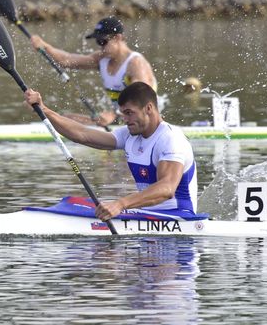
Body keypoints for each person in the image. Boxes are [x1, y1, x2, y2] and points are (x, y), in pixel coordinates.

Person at [24, 82, 197, 221]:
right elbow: (83, 135)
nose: (126, 120)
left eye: (129, 113)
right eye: (123, 114)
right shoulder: (130, 134)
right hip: (145, 215)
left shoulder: (170, 139)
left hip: (178, 217)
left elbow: (167, 188)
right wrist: (44, 109)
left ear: (149, 108)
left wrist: (120, 204)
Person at [30, 16, 157, 126]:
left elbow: (142, 99)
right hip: (121, 119)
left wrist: (114, 114)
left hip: (142, 122)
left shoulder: (135, 63)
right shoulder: (101, 59)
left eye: (103, 41)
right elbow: (67, 60)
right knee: (65, 117)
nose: (100, 46)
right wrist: (45, 46)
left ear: (118, 38)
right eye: (98, 42)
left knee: (64, 120)